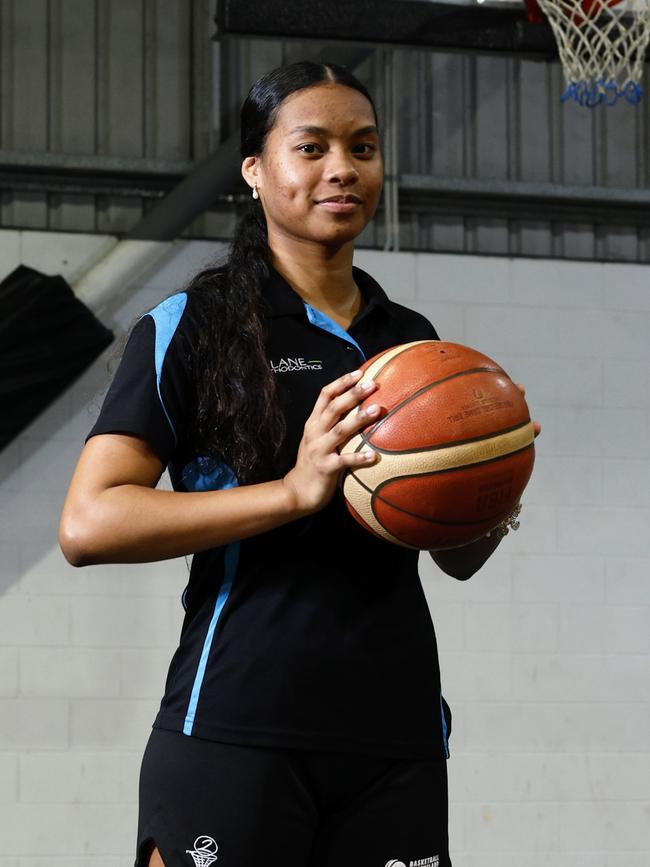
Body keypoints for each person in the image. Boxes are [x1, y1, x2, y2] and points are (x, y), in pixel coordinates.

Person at [59, 61, 536, 867]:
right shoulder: (195, 327)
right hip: (236, 727)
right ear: (255, 170)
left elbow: (454, 558)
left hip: (396, 736)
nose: (342, 168)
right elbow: (89, 521)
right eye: (310, 147)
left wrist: (493, 483)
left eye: (363, 146)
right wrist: (292, 491)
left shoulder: (412, 339)